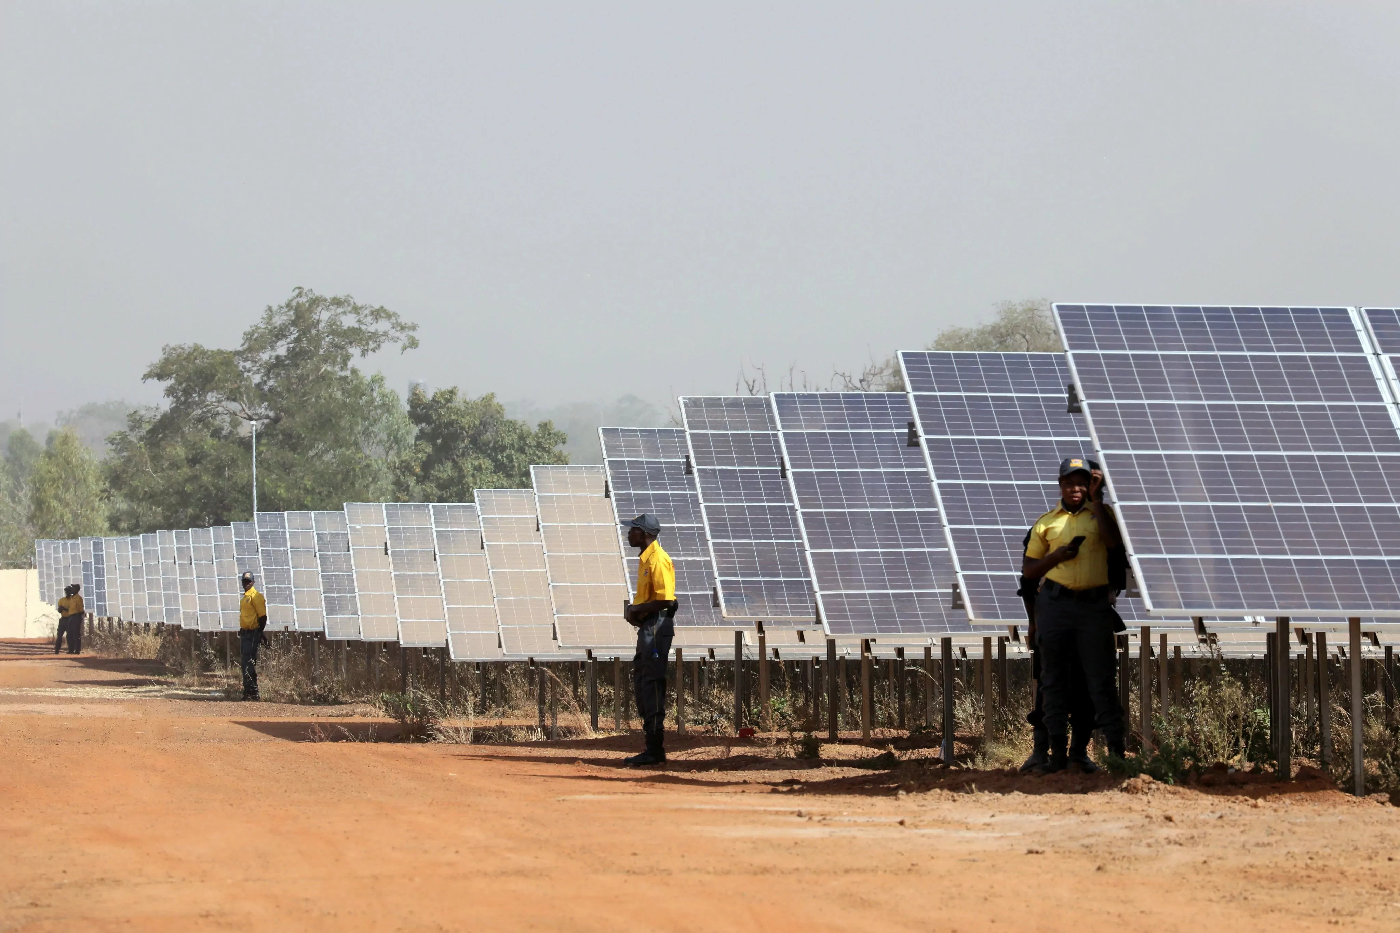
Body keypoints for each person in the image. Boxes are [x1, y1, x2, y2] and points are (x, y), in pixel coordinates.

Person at [1022, 457, 1127, 773]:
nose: (1076, 488)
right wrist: (1055, 557)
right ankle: (1055, 756)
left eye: (1083, 482)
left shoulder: (1103, 516)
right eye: (1070, 483)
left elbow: (1114, 546)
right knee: (1052, 682)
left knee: (1099, 681)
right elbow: (1028, 573)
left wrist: (1099, 499)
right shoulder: (1045, 523)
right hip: (1055, 607)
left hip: (1093, 609)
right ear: (1060, 486)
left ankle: (1115, 759)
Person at [620, 514, 677, 766]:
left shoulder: (658, 559)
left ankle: (655, 750)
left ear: (643, 534)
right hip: (648, 627)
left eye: (632, 530)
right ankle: (651, 747)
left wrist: (636, 610)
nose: (628, 534)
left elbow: (666, 600)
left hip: (657, 627)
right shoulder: (646, 559)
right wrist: (637, 612)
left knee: (651, 683)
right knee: (643, 682)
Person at [238, 572, 268, 701]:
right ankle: (247, 691)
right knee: (245, 663)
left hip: (252, 633)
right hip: (245, 633)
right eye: (244, 581)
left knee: (249, 662)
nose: (246, 584)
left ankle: (253, 692)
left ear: (253, 582)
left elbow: (263, 617)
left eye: (248, 581)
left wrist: (259, 632)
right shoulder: (245, 597)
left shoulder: (256, 596)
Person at [55, 584, 84, 655]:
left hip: (74, 617)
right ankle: (63, 649)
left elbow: (80, 610)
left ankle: (76, 650)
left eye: (70, 590)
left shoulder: (78, 598)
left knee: (75, 634)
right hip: (66, 618)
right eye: (67, 591)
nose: (69, 592)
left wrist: (77, 618)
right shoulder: (69, 599)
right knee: (67, 635)